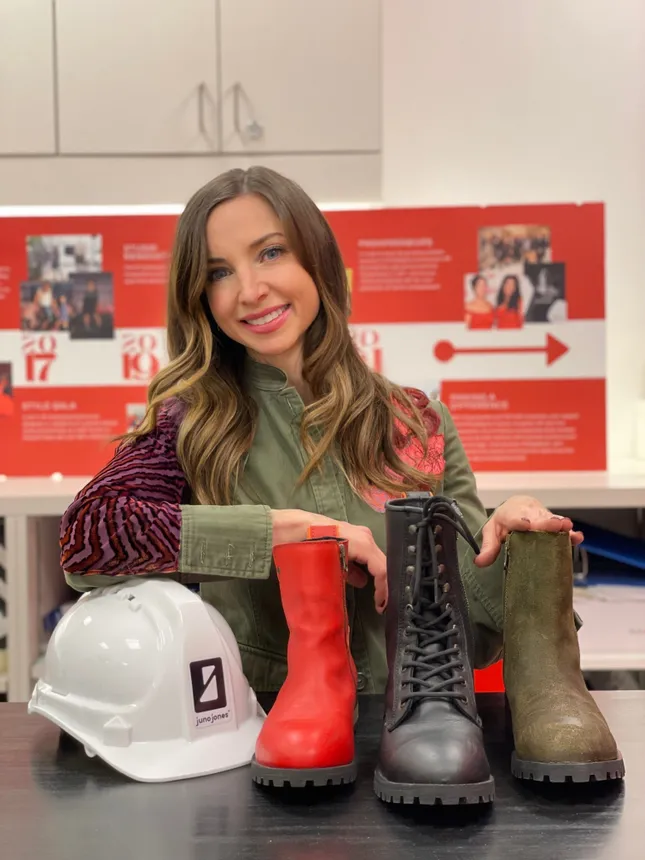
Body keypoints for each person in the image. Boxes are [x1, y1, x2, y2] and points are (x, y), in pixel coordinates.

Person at [59, 167, 582, 694]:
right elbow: (89, 538)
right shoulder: (190, 425)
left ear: (317, 257)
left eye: (270, 253)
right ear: (199, 296)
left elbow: (466, 630)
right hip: (259, 734)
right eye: (219, 272)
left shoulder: (416, 420)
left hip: (419, 732)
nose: (250, 290)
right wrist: (289, 534)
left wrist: (514, 547)